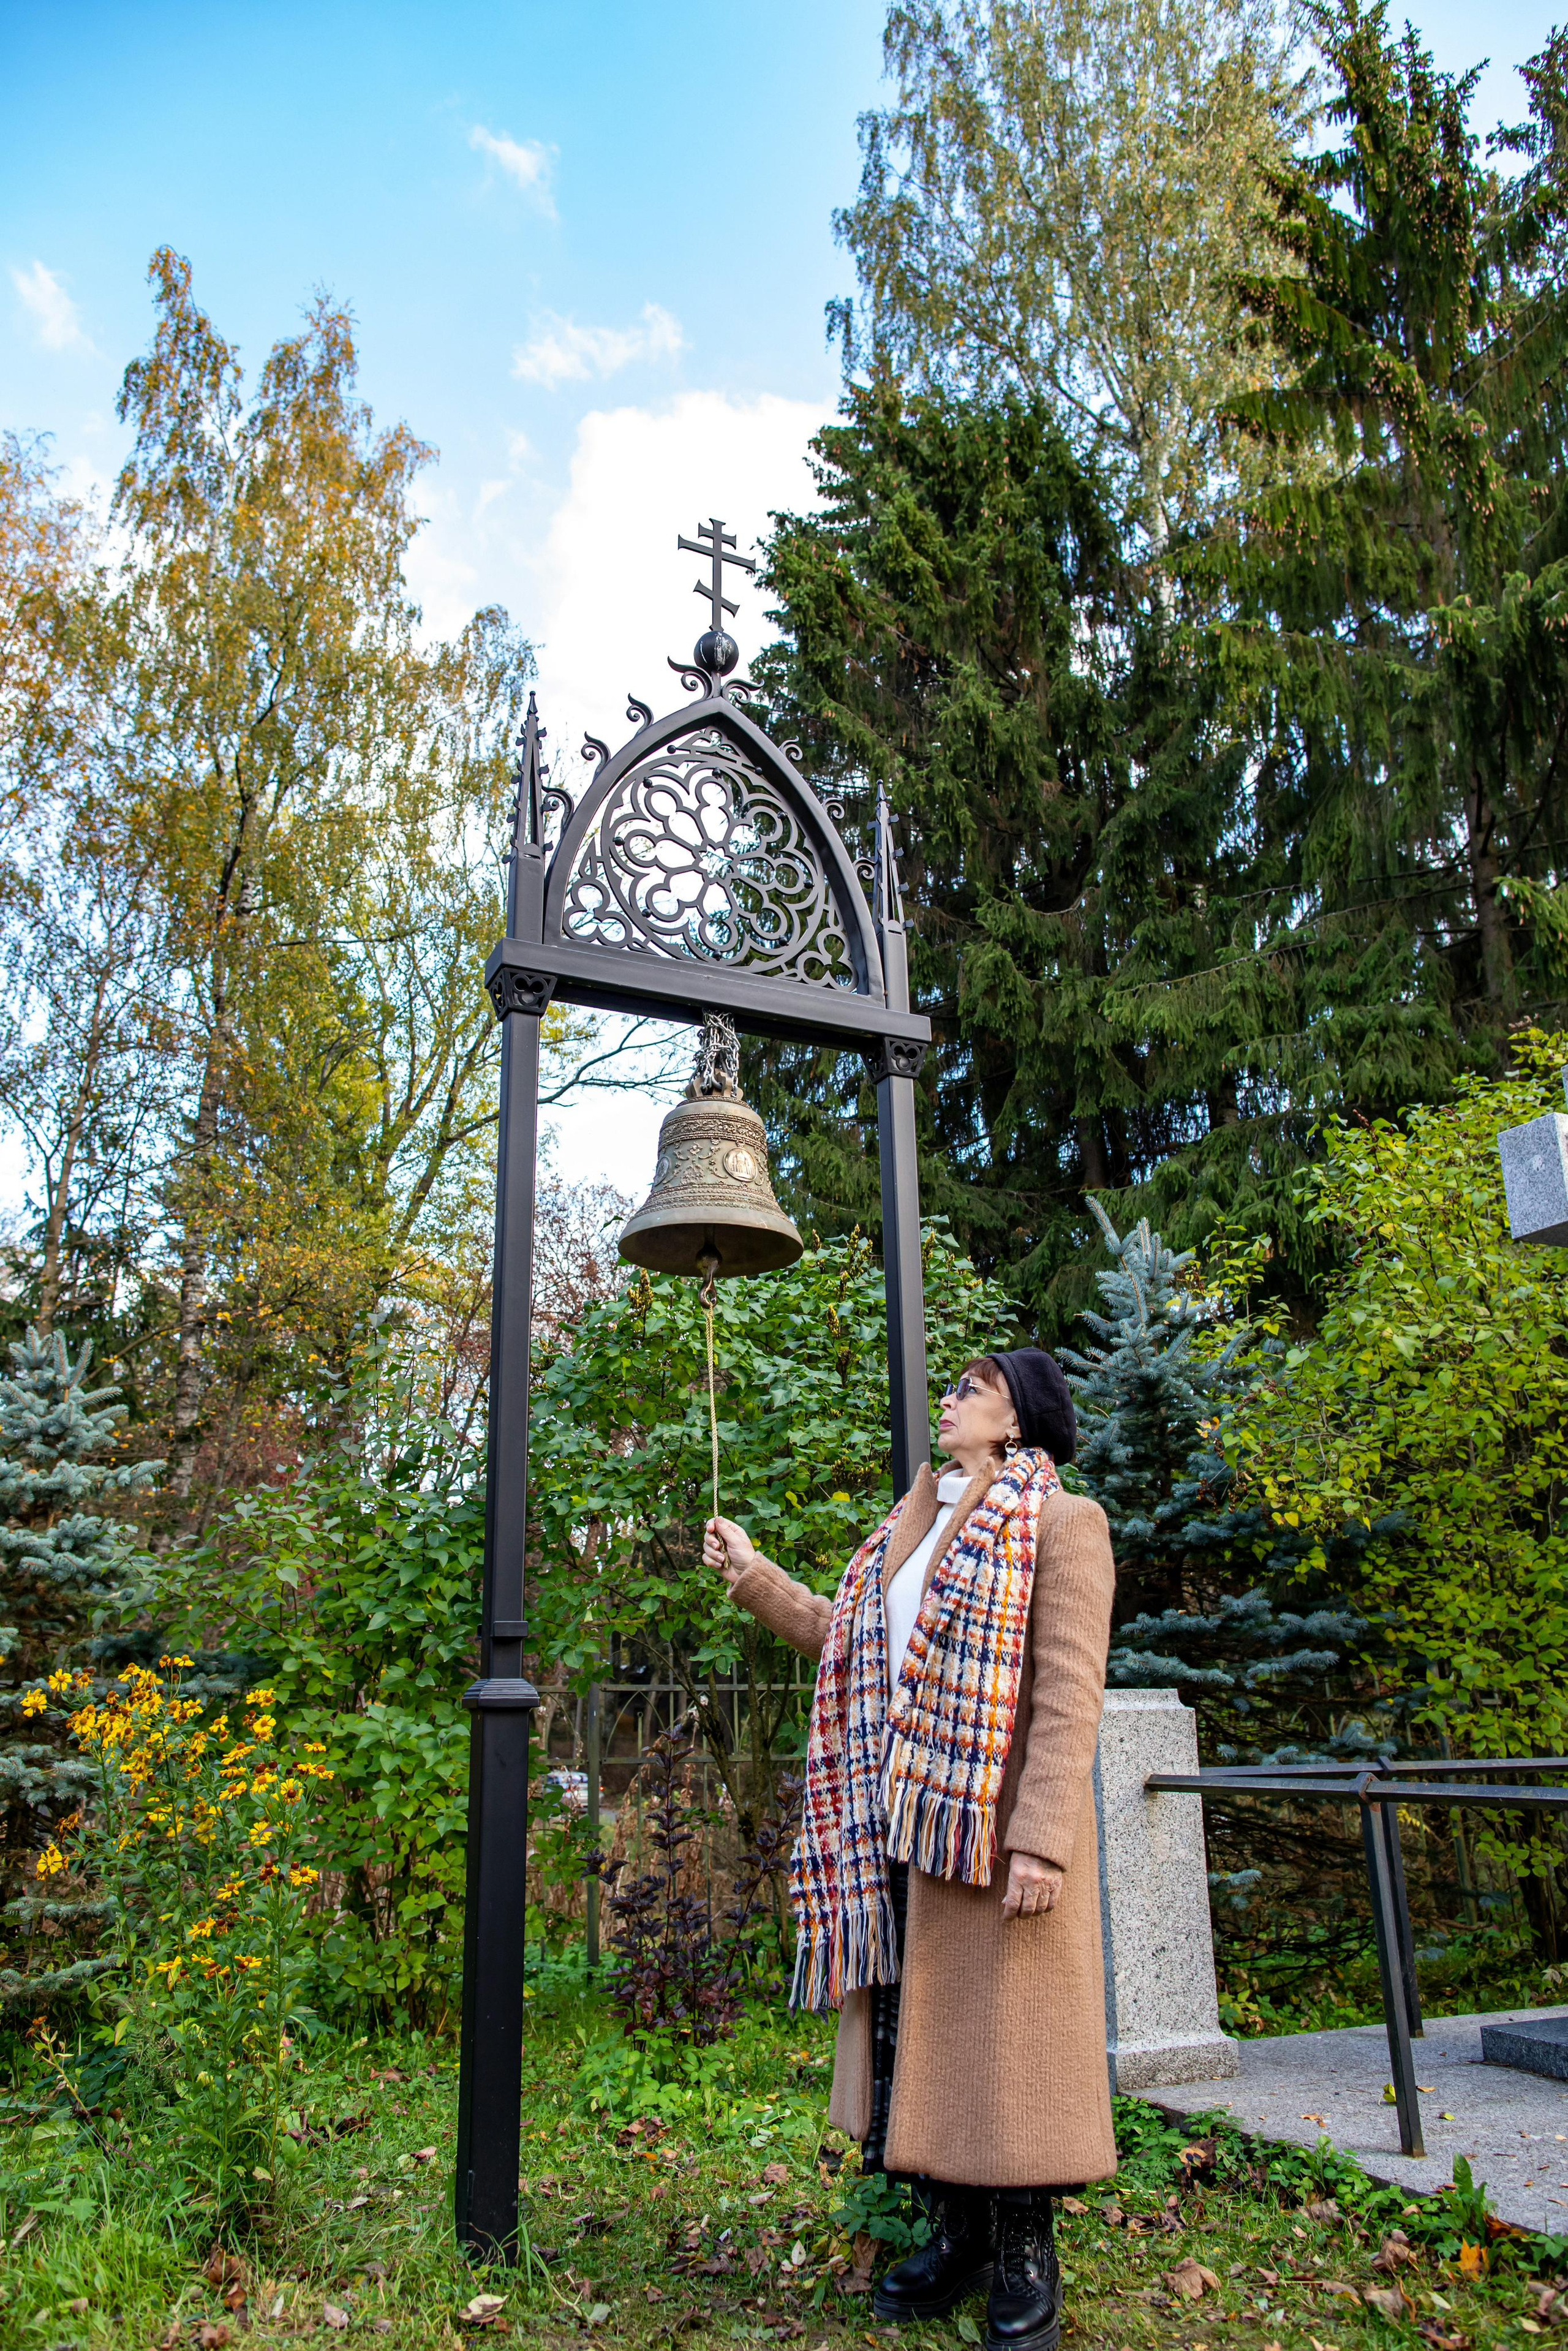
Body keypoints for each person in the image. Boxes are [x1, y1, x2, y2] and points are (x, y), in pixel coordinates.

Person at [703, 1348, 1117, 2351]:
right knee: (922, 2038)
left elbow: (1069, 1694)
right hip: (905, 1826)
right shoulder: (910, 1525)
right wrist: (755, 1574)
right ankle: (955, 2236)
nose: (953, 1399)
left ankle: (1025, 2253)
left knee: (1006, 2054)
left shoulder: (1063, 1524)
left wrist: (1044, 1844)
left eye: (973, 1388)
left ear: (1017, 1422)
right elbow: (842, 1635)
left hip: (991, 1827)